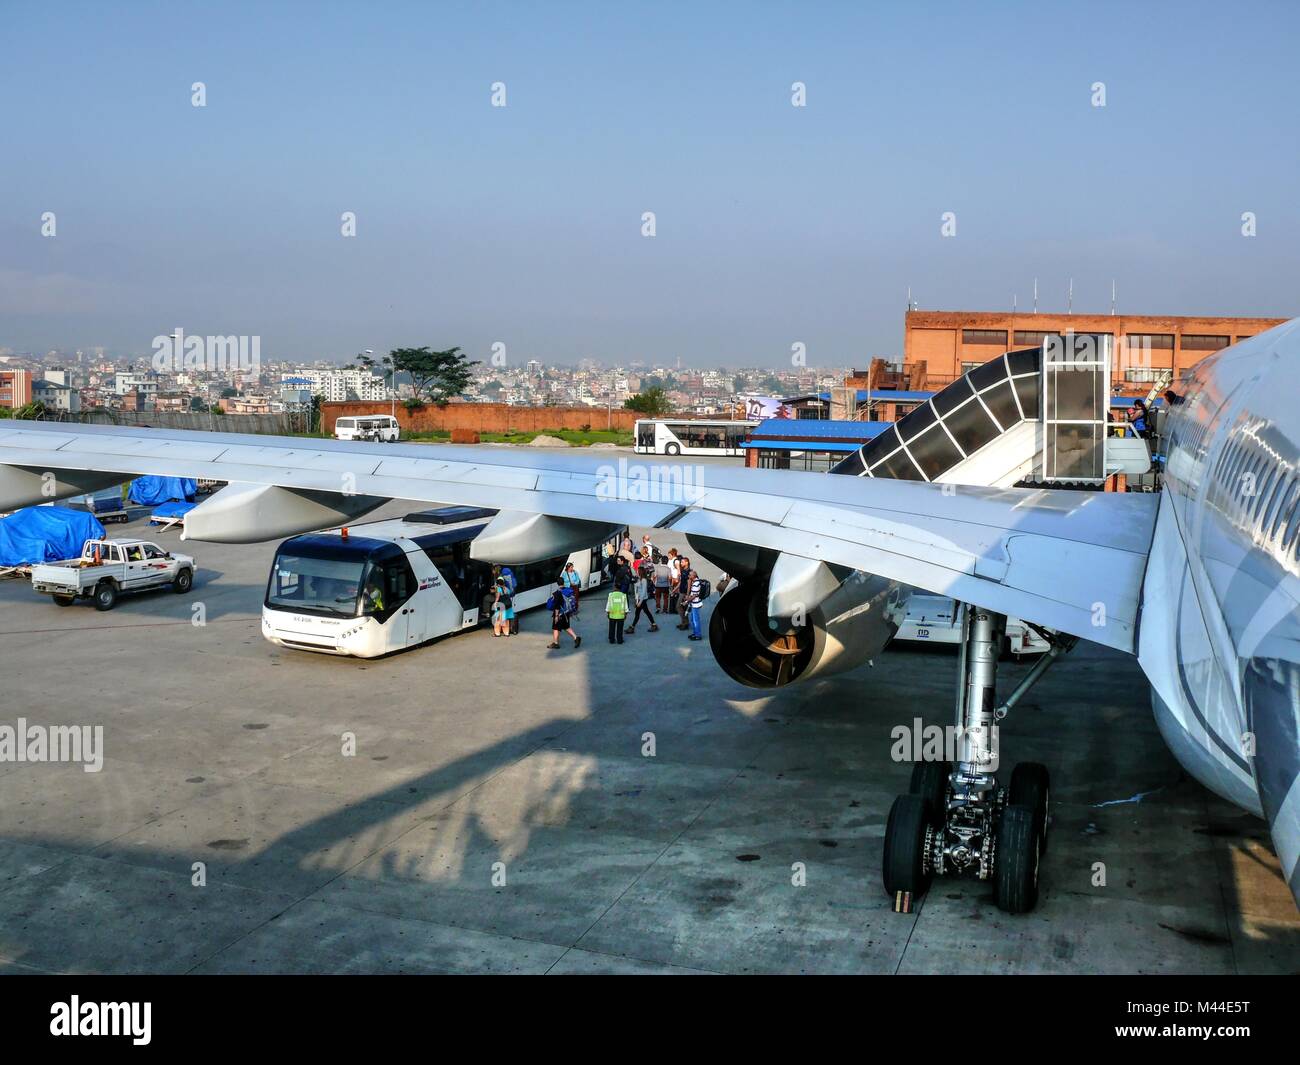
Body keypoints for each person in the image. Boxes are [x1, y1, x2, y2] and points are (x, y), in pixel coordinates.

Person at [546, 579, 581, 650]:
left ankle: (556, 643)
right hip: (567, 612)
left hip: (560, 614)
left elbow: (557, 606)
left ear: (557, 583)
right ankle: (576, 638)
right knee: (566, 626)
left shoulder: (557, 593)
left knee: (555, 628)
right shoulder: (568, 590)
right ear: (563, 583)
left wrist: (556, 616)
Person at [626, 561, 658, 634]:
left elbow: (643, 592)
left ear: (640, 572)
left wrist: (639, 602)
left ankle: (632, 627)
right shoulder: (639, 579)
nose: (637, 571)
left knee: (638, 613)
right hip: (640, 599)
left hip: (642, 599)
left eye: (638, 571)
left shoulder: (643, 580)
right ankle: (653, 624)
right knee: (646, 612)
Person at [676, 555, 693, 630]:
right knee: (683, 607)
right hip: (681, 591)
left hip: (685, 593)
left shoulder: (689, 572)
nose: (681, 563)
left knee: (678, 606)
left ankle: (685, 623)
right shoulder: (683, 571)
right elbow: (681, 582)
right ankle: (685, 622)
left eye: (682, 562)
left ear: (687, 562)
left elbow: (689, 584)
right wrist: (675, 589)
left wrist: (688, 594)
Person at [501, 566, 519, 634]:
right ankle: (512, 629)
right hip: (511, 596)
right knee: (509, 612)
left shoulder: (504, 579)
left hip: (505, 598)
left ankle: (505, 628)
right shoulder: (512, 577)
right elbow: (515, 585)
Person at [687, 568, 704, 640]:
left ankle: (698, 635)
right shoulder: (696, 582)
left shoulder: (696, 584)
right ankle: (695, 633)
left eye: (690, 575)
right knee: (693, 619)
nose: (688, 576)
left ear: (693, 576)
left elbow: (694, 595)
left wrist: (687, 600)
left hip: (695, 604)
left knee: (695, 620)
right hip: (694, 604)